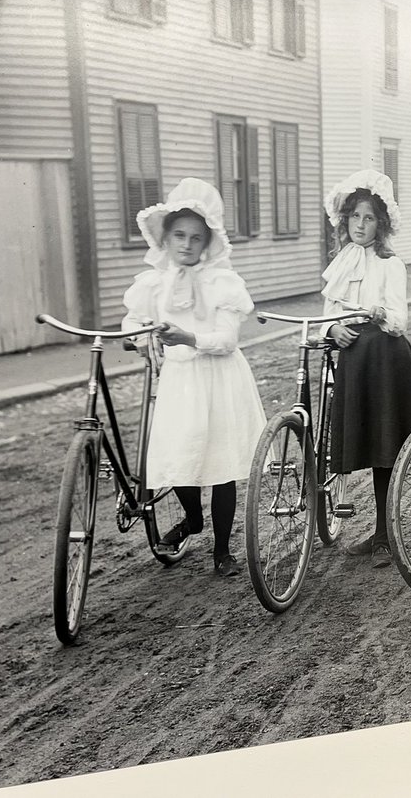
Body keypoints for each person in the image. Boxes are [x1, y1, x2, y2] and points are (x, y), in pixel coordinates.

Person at [120, 178, 267, 578]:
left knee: (219, 462)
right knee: (178, 456)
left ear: (207, 244)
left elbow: (228, 338)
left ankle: (222, 550)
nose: (186, 245)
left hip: (218, 378)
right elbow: (133, 319)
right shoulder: (154, 282)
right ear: (165, 239)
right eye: (179, 236)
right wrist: (137, 335)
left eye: (196, 238)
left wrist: (188, 337)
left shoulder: (222, 282)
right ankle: (192, 518)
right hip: (180, 381)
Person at [321, 170, 411, 569]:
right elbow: (328, 313)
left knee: (384, 448)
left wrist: (379, 313)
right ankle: (377, 532)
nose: (360, 226)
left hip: (385, 360)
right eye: (354, 218)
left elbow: (399, 319)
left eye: (368, 219)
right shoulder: (342, 262)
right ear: (345, 222)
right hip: (353, 361)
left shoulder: (389, 263)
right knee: (359, 445)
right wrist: (334, 328)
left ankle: (385, 535)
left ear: (380, 224)